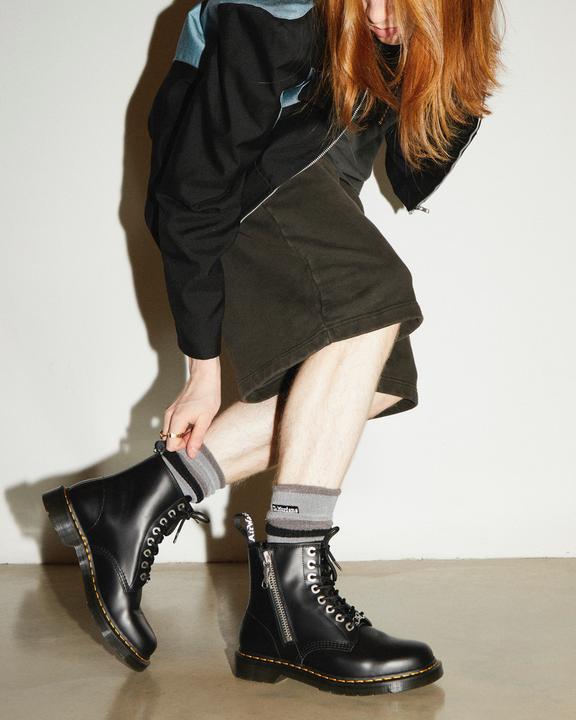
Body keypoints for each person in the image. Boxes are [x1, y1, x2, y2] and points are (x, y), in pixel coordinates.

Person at [42, 0, 502, 695]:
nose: (381, 14)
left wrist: (444, 63)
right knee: (371, 301)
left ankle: (132, 506)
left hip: (304, 187)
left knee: (376, 377)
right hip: (236, 187)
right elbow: (195, 185)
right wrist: (202, 368)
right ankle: (294, 600)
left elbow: (408, 167)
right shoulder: (281, 10)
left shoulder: (408, 38)